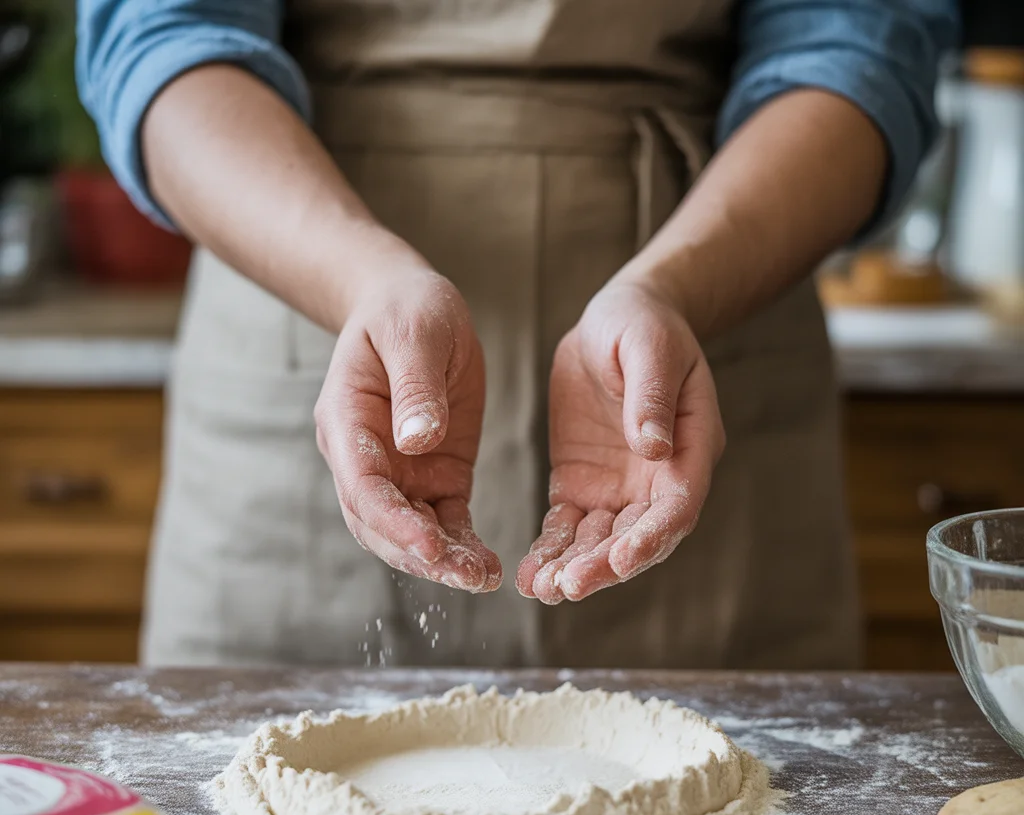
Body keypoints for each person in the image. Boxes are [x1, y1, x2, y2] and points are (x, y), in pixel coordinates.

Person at [79, 0, 958, 670]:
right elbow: (165, 39)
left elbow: (857, 46)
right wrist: (363, 278)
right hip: (303, 280)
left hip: (718, 284)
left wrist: (674, 288)